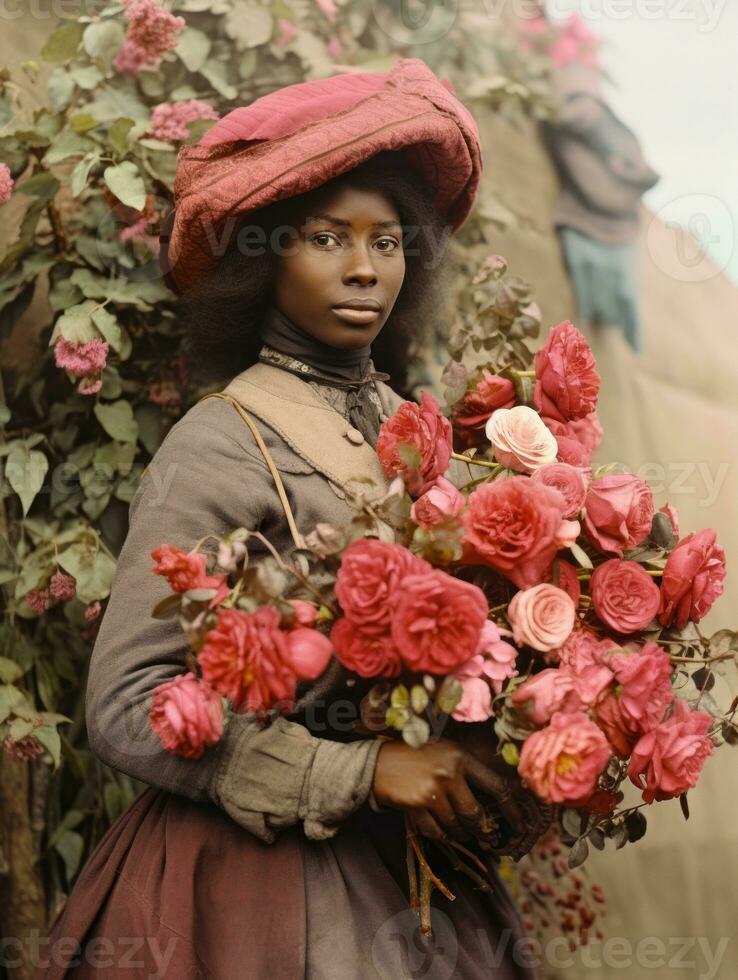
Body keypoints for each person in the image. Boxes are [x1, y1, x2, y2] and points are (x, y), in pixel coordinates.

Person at [36, 59, 542, 980]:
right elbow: (122, 703)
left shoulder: (418, 432)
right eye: (325, 238)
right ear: (262, 263)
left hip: (420, 874)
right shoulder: (220, 441)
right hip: (248, 893)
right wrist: (358, 771)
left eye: (387, 243)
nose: (363, 268)